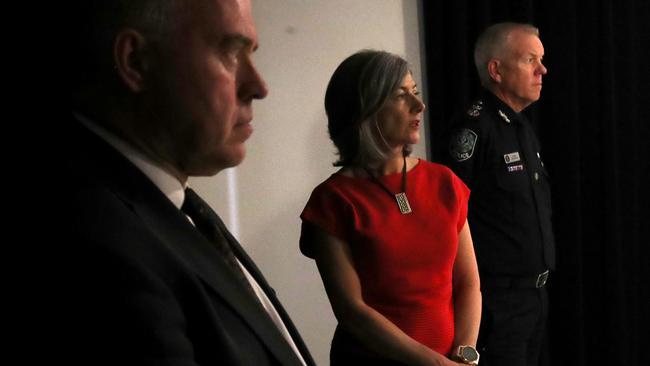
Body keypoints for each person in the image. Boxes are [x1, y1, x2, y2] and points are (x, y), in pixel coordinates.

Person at [67, 1, 314, 365]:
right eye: (231, 52)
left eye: (252, 54)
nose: (258, 86)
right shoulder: (95, 240)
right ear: (136, 61)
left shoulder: (172, 204)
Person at [299, 50, 481, 366]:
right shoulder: (334, 200)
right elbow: (352, 311)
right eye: (401, 95)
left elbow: (468, 284)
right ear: (364, 110)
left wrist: (464, 357)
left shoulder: (444, 182)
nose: (419, 106)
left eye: (415, 92)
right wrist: (437, 364)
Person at [439, 23, 555, 366]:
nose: (542, 69)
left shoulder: (520, 128)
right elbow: (450, 217)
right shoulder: (474, 129)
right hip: (496, 301)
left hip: (534, 297)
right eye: (530, 59)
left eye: (542, 59)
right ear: (497, 70)